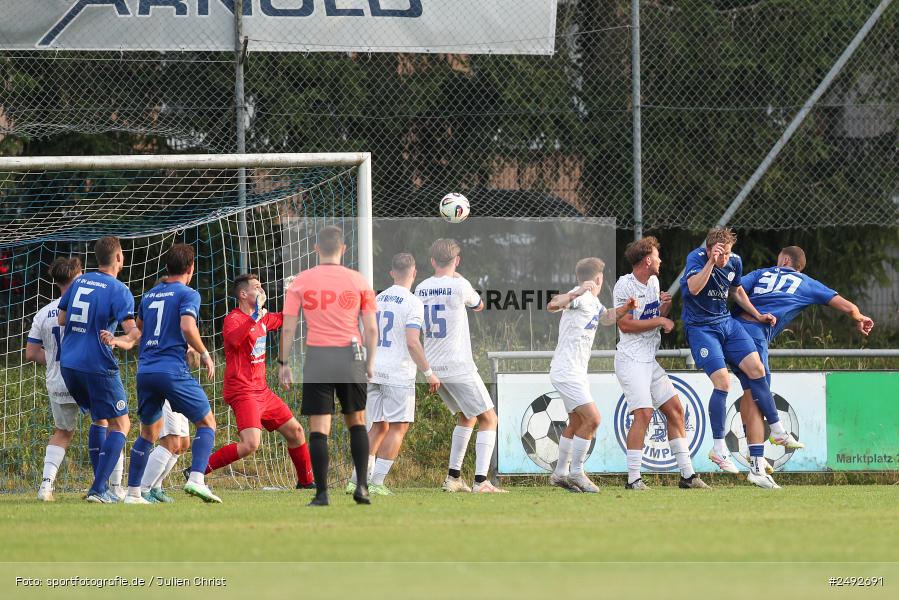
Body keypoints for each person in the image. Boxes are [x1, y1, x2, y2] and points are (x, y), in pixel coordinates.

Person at [733, 245, 874, 488]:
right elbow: (840, 302)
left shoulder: (760, 273)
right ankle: (773, 439)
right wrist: (858, 315)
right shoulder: (807, 283)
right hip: (755, 335)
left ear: (785, 259)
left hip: (732, 330)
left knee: (751, 392)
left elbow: (733, 288)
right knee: (760, 392)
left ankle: (756, 461)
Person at [104, 243, 220, 503]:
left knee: (148, 432)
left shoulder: (149, 296)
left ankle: (133, 493)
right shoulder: (188, 293)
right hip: (171, 370)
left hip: (146, 369)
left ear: (167, 267)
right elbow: (188, 326)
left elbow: (141, 330)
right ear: (190, 269)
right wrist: (204, 352)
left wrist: (125, 341)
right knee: (207, 423)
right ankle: (197, 479)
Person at [680, 228, 799, 474]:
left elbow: (736, 291)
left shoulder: (735, 261)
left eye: (728, 253)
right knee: (723, 382)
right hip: (701, 328)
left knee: (757, 369)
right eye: (721, 254)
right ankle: (719, 448)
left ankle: (777, 430)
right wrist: (712, 262)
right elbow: (693, 288)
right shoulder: (697, 258)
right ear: (711, 250)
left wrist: (757, 314)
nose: (726, 258)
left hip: (726, 323)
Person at [279, 226, 378, 507]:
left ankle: (321, 494)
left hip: (318, 356)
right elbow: (370, 328)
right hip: (351, 354)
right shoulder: (359, 280)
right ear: (343, 249)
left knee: (319, 427)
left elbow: (288, 328)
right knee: (356, 421)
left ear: (316, 249)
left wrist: (284, 363)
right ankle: (362, 487)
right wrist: (370, 361)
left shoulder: (302, 280)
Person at [201, 273, 314, 489]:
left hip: (262, 391)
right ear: (243, 294)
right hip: (242, 391)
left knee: (296, 432)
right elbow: (234, 339)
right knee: (251, 444)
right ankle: (197, 471)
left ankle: (306, 483)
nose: (261, 290)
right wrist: (255, 317)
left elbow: (285, 318)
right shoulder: (233, 318)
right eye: (257, 287)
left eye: (262, 286)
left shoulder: (261, 316)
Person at [613, 237, 708, 491]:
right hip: (631, 359)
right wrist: (659, 322)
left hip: (649, 359)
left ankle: (688, 476)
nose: (660, 260)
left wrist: (663, 310)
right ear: (647, 260)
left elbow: (653, 318)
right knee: (643, 414)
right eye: (657, 256)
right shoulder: (624, 285)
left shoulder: (653, 282)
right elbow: (625, 324)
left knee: (676, 410)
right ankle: (633, 479)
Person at [415, 239, 505, 494]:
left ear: (432, 261)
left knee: (468, 416)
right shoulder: (459, 284)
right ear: (457, 260)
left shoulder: (421, 288)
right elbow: (479, 306)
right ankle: (481, 482)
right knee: (490, 419)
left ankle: (454, 477)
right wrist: (458, 276)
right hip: (458, 364)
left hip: (433, 366)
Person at [347, 253, 441, 496]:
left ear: (391, 273)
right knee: (398, 427)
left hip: (373, 370)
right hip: (398, 374)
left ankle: (355, 480)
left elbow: (366, 335)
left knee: (377, 427)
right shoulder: (412, 302)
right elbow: (412, 341)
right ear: (414, 273)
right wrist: (428, 372)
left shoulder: (377, 298)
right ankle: (377, 482)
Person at [57, 236, 140, 504]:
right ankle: (99, 488)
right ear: (118, 257)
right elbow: (130, 333)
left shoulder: (80, 280)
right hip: (96, 364)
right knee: (122, 424)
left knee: (99, 419)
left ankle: (99, 487)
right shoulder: (119, 290)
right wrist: (127, 338)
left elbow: (61, 318)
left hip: (69, 362)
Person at [547, 257, 634, 493]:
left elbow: (605, 317)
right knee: (593, 419)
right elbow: (552, 304)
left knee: (576, 421)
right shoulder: (581, 295)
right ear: (598, 278)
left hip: (574, 371)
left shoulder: (593, 302)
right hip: (567, 371)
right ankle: (577, 473)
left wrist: (625, 308)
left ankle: (560, 474)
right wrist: (575, 293)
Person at [25, 257, 85, 501]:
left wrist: (52, 361)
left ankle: (46, 486)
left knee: (62, 431)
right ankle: (112, 487)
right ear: (78, 276)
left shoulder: (42, 313)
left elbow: (31, 353)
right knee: (107, 425)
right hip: (83, 376)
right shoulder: (84, 306)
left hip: (57, 380)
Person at [139, 399, 190, 502]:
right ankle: (142, 490)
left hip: (181, 391)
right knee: (170, 442)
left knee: (183, 444)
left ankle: (155, 487)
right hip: (168, 390)